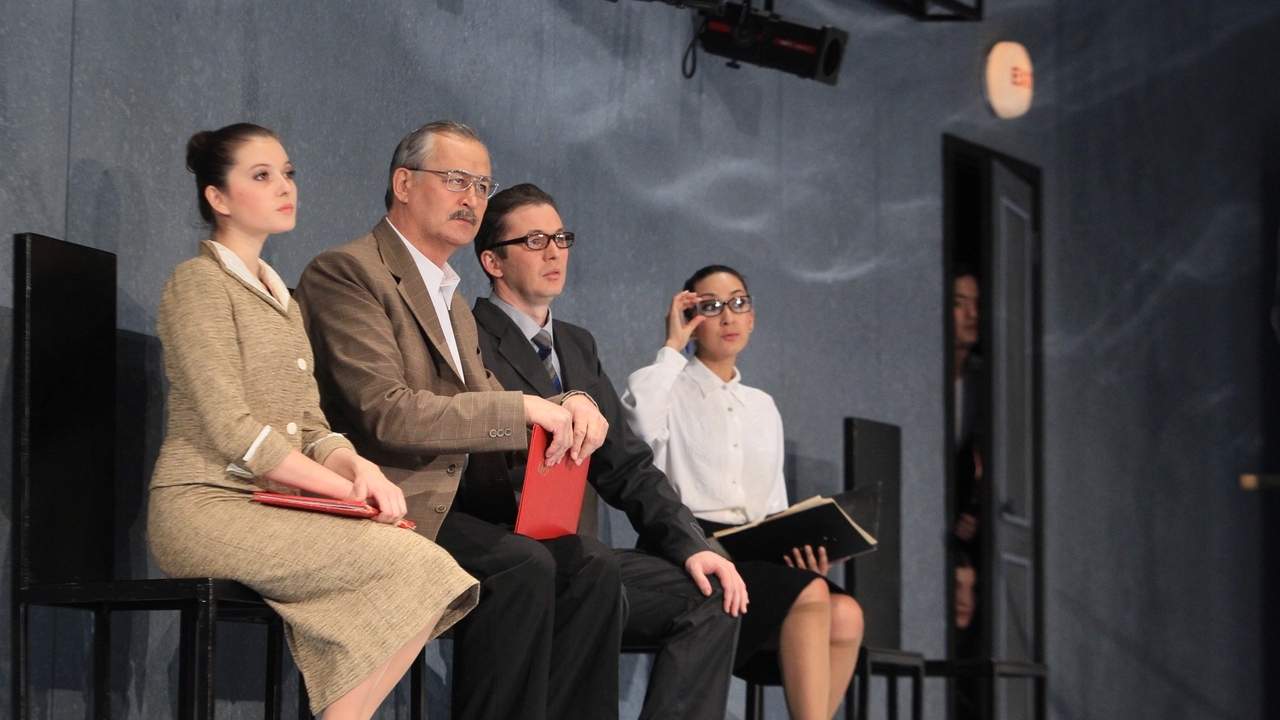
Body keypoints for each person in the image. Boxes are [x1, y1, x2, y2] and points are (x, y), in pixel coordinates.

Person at [295, 122, 732, 720]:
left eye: (481, 185)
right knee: (525, 564)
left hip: (469, 512)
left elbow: (613, 457)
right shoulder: (347, 271)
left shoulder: (450, 299)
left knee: (591, 565)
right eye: (456, 180)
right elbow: (386, 412)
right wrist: (531, 407)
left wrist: (571, 399)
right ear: (403, 184)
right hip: (395, 501)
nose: (471, 198)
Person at [147, 123, 478, 720]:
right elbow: (235, 432)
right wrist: (346, 491)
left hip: (269, 503)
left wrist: (357, 468)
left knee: (435, 574)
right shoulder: (197, 283)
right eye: (261, 175)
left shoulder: (282, 298)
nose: (284, 187)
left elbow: (311, 425)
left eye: (288, 173)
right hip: (205, 504)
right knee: (413, 565)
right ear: (218, 198)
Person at [469, 183, 746, 720]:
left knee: (712, 591)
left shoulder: (577, 344)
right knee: (577, 573)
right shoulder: (468, 334)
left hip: (581, 556)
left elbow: (628, 464)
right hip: (506, 547)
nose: (554, 252)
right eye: (534, 241)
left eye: (560, 238)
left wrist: (692, 545)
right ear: (493, 261)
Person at [622, 265, 865, 720]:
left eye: (738, 303)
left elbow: (773, 503)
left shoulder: (763, 405)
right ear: (691, 318)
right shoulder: (668, 385)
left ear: (752, 317)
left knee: (848, 614)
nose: (728, 316)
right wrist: (671, 347)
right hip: (689, 545)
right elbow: (635, 429)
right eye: (711, 306)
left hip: (754, 547)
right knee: (812, 596)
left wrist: (798, 551)